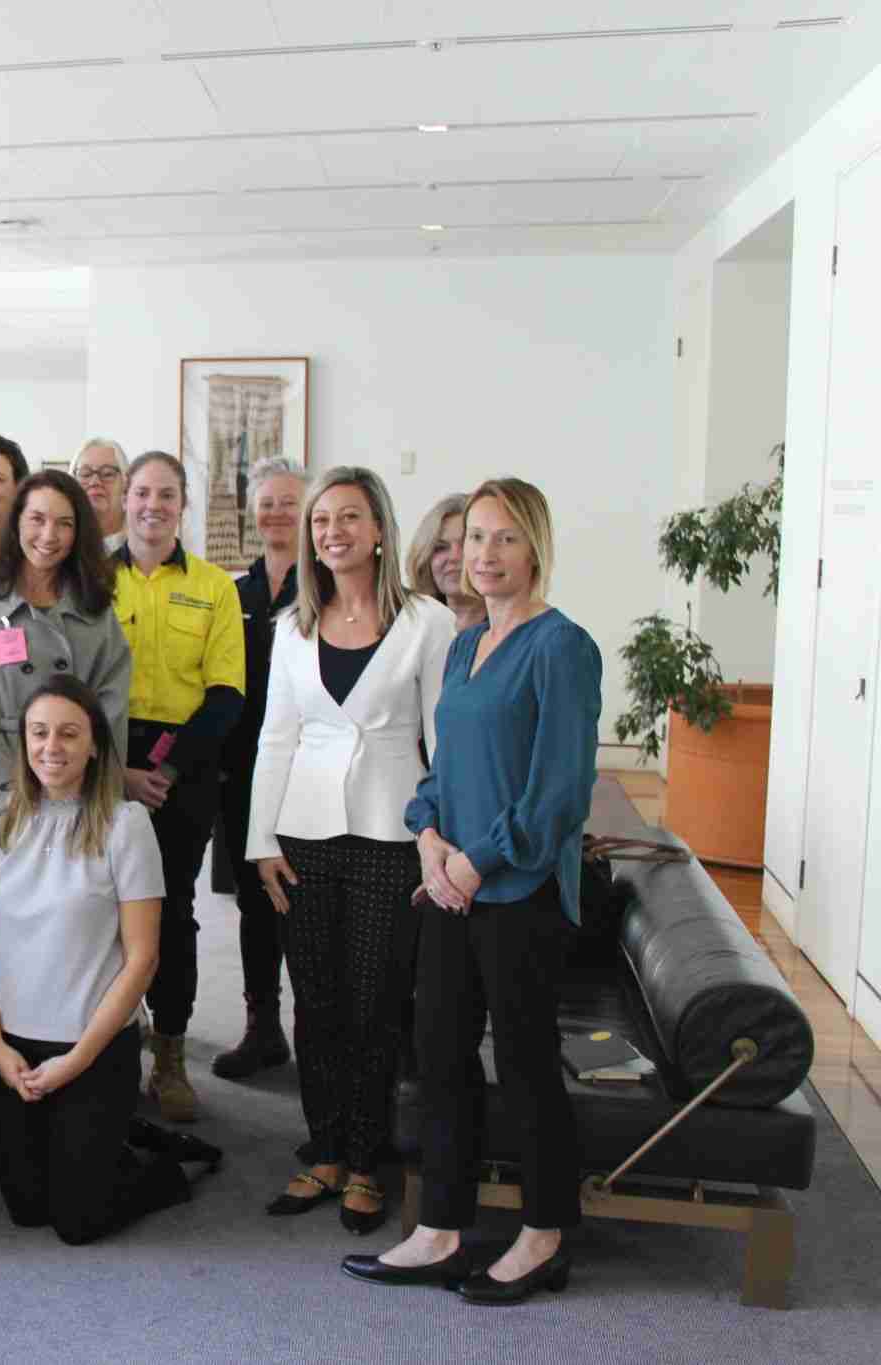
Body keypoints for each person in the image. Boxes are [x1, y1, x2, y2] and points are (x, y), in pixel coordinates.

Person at [350, 478, 600, 1305]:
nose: (483, 555)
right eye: (474, 539)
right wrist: (428, 839)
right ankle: (442, 1227)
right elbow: (443, 772)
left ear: (536, 550)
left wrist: (474, 861)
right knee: (439, 1056)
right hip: (450, 884)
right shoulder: (463, 645)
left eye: (504, 540)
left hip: (518, 894)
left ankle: (543, 1232)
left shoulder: (561, 646)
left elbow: (557, 794)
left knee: (526, 1065)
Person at [247, 465, 455, 1237]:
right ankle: (325, 1148)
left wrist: (438, 836)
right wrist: (259, 839)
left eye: (349, 517)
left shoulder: (428, 623)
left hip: (391, 831)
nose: (332, 531)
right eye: (321, 519)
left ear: (378, 530)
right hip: (302, 833)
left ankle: (370, 1159)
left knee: (373, 1003)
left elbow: (442, 738)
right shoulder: (291, 627)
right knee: (317, 1000)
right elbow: (275, 736)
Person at [0, 677, 212, 1245]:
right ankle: (103, 1143)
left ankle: (165, 1165)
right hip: (15, 1049)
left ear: (96, 744)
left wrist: (74, 1062)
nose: (52, 747)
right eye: (39, 733)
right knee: (27, 1209)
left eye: (69, 734)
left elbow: (143, 958)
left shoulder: (126, 825)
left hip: (94, 1047)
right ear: (22, 742)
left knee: (79, 1222)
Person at [111, 452, 245, 1124]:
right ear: (125, 499)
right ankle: (104, 1049)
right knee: (94, 909)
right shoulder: (90, 578)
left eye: (166, 494)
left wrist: (159, 770)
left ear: (182, 504)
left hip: (181, 769)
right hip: (98, 760)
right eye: (142, 492)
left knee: (170, 912)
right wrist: (116, 772)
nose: (152, 505)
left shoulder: (216, 586)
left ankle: (168, 1054)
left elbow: (225, 695)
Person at [0, 468, 130, 863]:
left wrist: (68, 782)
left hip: (74, 788)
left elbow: (111, 705)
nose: (49, 536)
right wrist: (13, 783)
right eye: (37, 519)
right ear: (16, 520)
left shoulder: (97, 610)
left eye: (64, 524)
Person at [212, 457, 306, 1081]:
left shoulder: (326, 588)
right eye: (264, 502)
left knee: (302, 901)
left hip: (308, 776)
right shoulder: (233, 592)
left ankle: (320, 1031)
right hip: (242, 774)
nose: (274, 513)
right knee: (253, 903)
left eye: (287, 502)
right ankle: (262, 1026)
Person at [406, 492, 488, 632]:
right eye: (440, 548)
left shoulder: (517, 629)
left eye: (464, 544)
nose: (454, 557)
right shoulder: (411, 628)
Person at [71, 438, 129, 552]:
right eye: (85, 474)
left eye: (107, 474)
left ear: (125, 485)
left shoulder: (142, 549)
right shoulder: (60, 550)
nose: (94, 482)